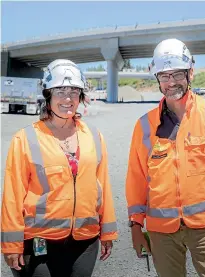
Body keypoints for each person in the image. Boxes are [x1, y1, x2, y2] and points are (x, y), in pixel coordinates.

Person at [125, 39, 205, 277]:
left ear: (190, 72)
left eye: (177, 74)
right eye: (164, 76)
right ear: (157, 79)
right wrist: (136, 225)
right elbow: (137, 179)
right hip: (162, 232)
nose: (171, 82)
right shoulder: (144, 125)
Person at [1, 59, 118, 277]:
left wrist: (108, 231)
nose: (67, 98)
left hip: (85, 240)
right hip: (39, 240)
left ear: (81, 96)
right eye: (60, 91)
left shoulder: (93, 136)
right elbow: (12, 196)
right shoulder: (26, 139)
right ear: (48, 95)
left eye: (74, 91)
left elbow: (103, 186)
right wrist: (11, 244)